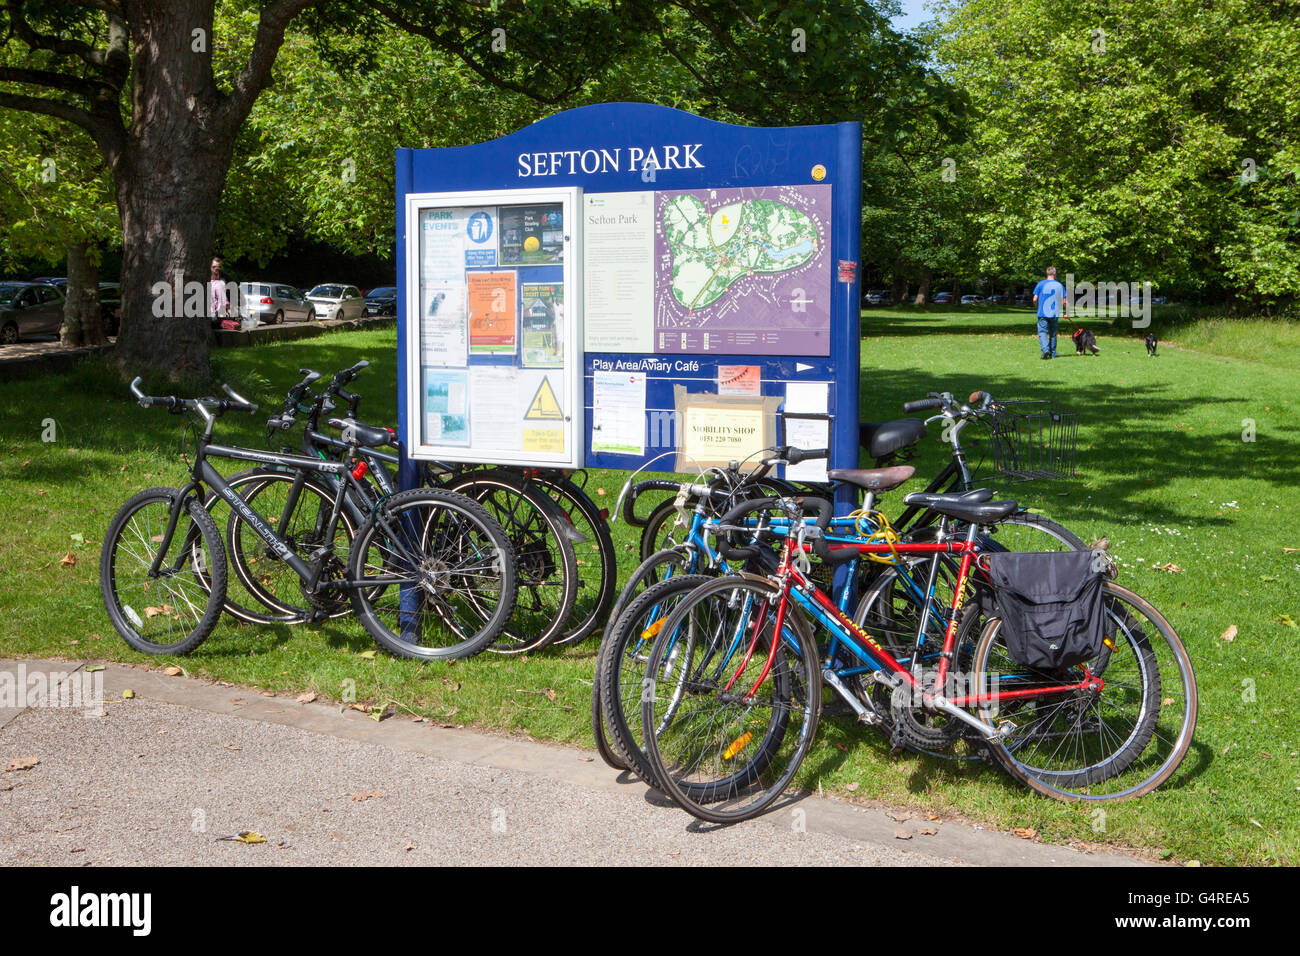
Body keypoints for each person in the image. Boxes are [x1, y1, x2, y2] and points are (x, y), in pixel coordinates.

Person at [1032, 266, 1068, 360]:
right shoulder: (1059, 285)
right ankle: (1053, 353)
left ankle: (1045, 349)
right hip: (1054, 314)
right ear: (1055, 274)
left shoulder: (1040, 284)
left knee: (1042, 332)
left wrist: (1037, 307)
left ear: (1047, 273)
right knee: (1053, 334)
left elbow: (1035, 299)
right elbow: (1064, 301)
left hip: (1042, 313)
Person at [209, 257, 232, 327]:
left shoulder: (224, 280)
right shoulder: (204, 279)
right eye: (214, 267)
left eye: (219, 267)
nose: (216, 269)